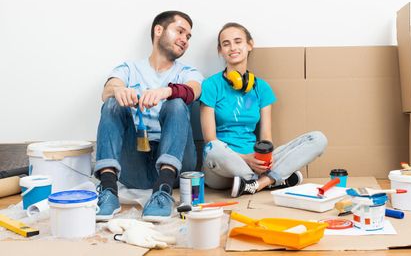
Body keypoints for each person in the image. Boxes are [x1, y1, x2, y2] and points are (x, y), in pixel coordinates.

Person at [94, 11, 203, 222]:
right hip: (135, 162)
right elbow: (108, 89)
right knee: (112, 102)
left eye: (188, 36)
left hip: (178, 164)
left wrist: (167, 91)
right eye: (180, 31)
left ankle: (163, 192)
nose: (185, 40)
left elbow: (194, 89)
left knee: (177, 103)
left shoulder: (188, 71)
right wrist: (119, 91)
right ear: (159, 30)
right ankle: (108, 192)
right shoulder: (129, 68)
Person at [200, 23, 328, 197]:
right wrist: (246, 159)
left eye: (238, 41)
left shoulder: (262, 88)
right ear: (220, 50)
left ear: (249, 45)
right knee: (213, 148)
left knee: (318, 139)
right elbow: (210, 139)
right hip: (222, 167)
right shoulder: (210, 85)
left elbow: (266, 137)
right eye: (226, 43)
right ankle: (275, 179)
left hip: (256, 162)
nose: (233, 48)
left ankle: (258, 184)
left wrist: (263, 160)